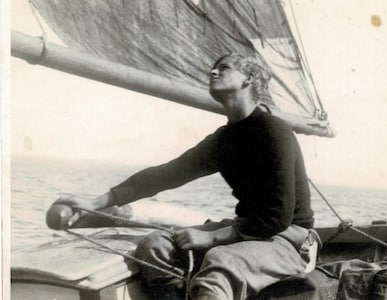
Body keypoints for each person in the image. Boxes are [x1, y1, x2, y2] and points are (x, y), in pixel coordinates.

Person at [50, 52, 320, 300]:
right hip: (248, 229)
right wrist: (96, 203)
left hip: (288, 239)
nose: (213, 72)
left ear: (248, 79)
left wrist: (212, 238)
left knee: (220, 263)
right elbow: (163, 176)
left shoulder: (273, 131)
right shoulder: (223, 140)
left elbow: (279, 216)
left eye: (223, 68)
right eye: (212, 69)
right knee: (153, 246)